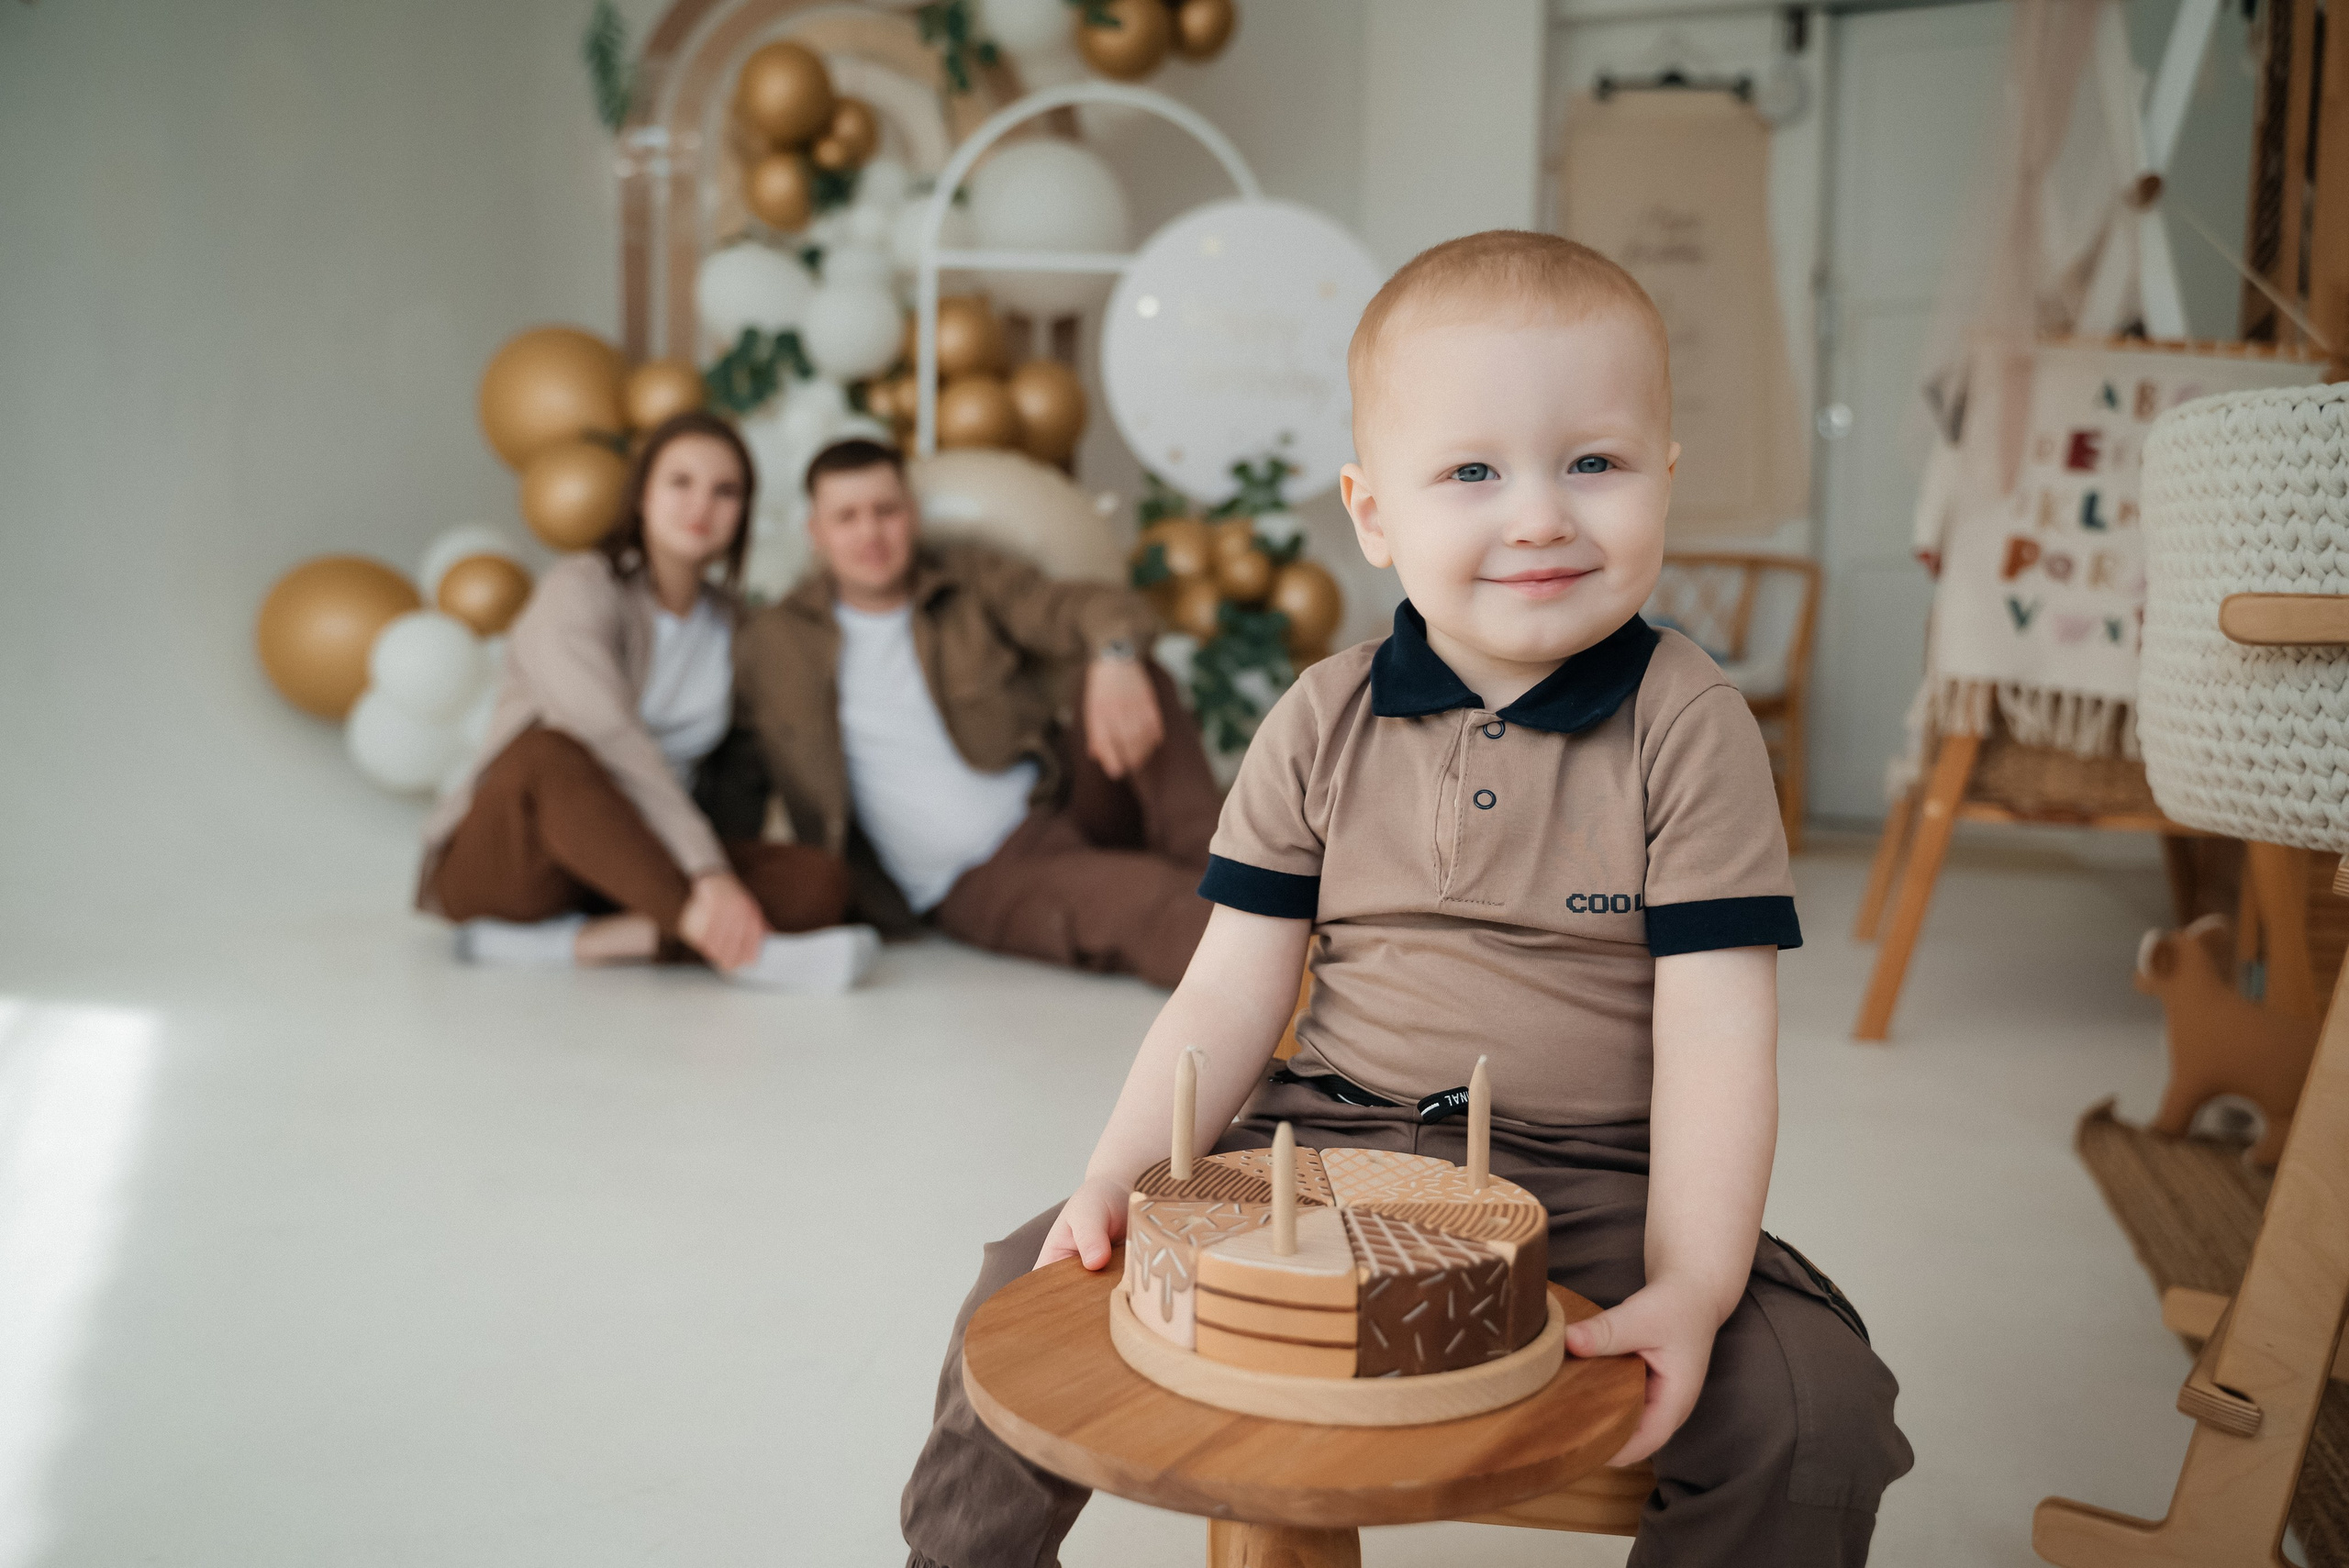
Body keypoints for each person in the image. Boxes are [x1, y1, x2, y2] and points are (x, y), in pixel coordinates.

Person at [897, 232, 1912, 1567]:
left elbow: (1721, 1031)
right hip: (1318, 1141)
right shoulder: (1321, 717)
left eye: (1594, 462)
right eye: (1474, 471)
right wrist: (1117, 1177)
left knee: (1810, 1406)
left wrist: (1697, 1281)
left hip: (1597, 1169)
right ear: (1374, 514)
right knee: (1022, 1288)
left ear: (1665, 478)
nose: (1541, 513)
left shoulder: (1693, 723)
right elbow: (1228, 985)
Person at [733, 439, 1220, 989]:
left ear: (911, 517)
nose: (870, 534)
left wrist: (1114, 657)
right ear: (815, 533)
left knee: (1127, 670)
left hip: (1064, 803)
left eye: (885, 511)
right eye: (846, 517)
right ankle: (1284, 991)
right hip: (981, 876)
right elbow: (735, 769)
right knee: (1155, 900)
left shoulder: (965, 580)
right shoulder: (773, 643)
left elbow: (1082, 607)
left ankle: (1229, 871)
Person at [418, 410, 875, 992]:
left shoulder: (735, 624)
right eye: (680, 482)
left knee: (822, 884)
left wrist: (727, 870)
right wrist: (709, 872)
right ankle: (738, 952)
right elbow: (609, 736)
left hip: (638, 865)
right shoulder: (579, 589)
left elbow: (737, 773)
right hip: (517, 860)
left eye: (725, 491)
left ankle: (578, 944)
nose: (701, 505)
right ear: (642, 495)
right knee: (548, 752)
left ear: (742, 515)